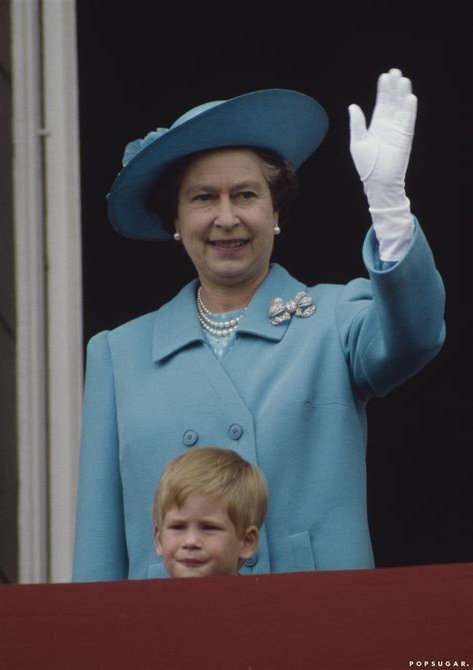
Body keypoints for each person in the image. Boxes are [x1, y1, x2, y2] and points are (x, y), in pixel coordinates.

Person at [73, 68, 446, 581]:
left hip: (315, 625)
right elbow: (98, 544)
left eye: (245, 195)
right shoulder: (119, 353)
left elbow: (416, 334)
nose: (227, 218)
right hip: (166, 639)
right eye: (203, 198)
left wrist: (389, 209)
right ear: (176, 222)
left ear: (276, 211)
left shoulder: (334, 319)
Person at [152, 446, 267, 578]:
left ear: (247, 542)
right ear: (159, 540)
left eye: (208, 527)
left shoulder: (261, 599)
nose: (190, 542)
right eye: (178, 527)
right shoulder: (146, 599)